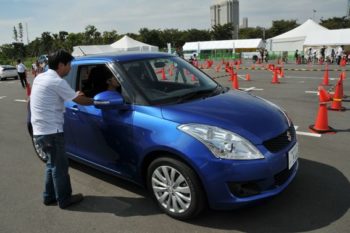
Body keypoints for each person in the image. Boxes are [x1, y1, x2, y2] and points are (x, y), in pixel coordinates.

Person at [30, 49, 94, 209]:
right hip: (52, 131)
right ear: (61, 65)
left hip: (39, 130)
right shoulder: (57, 82)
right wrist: (96, 101)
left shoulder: (40, 77)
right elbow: (81, 101)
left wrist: (74, 95)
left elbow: (58, 95)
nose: (70, 68)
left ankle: (48, 196)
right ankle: (64, 199)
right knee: (60, 167)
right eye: (69, 65)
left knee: (52, 165)